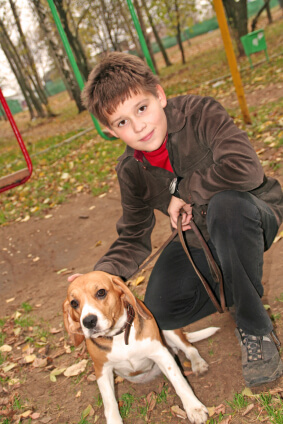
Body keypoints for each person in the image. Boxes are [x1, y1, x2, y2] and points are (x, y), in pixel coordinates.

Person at [80, 51, 283, 388]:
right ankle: (236, 282)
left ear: (159, 95)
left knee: (226, 206)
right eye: (122, 123)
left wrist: (186, 190)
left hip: (250, 212)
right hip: (197, 237)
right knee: (158, 311)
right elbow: (133, 236)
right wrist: (96, 278)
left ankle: (255, 327)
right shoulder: (132, 170)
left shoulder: (200, 113)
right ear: (111, 131)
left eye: (141, 108)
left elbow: (246, 170)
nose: (139, 126)